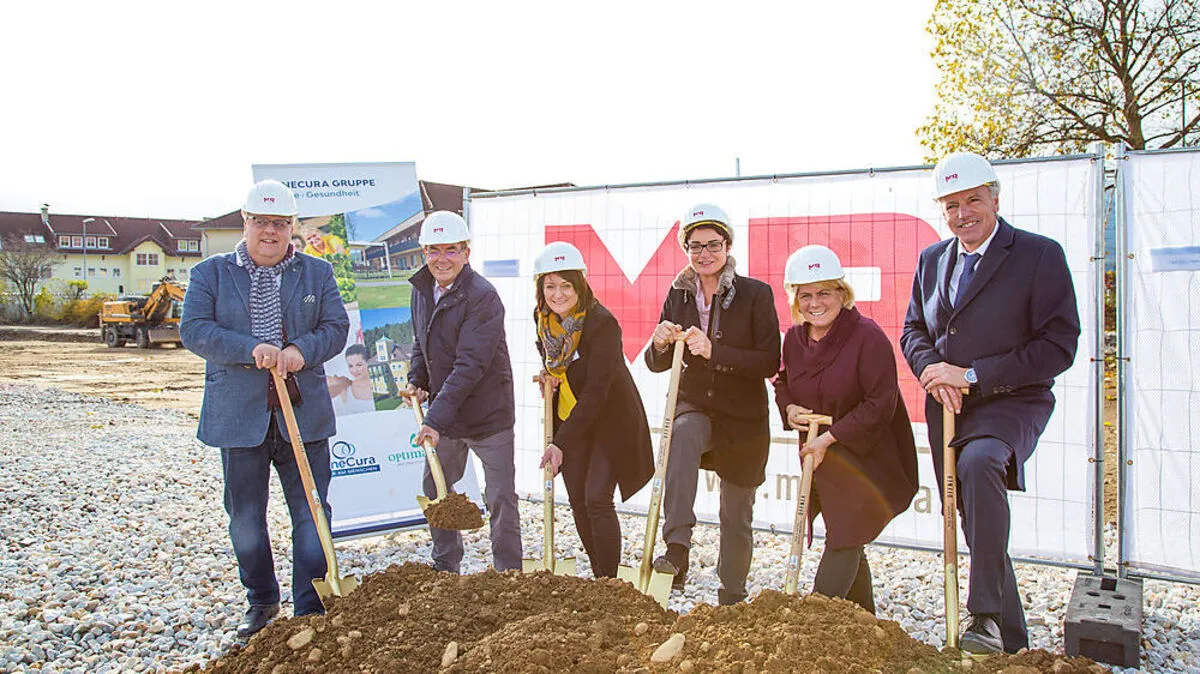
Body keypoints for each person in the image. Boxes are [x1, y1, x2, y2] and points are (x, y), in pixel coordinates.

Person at [901, 152, 1080, 654]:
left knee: (980, 464)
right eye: (951, 205)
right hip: (947, 405)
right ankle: (1009, 643)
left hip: (1011, 399)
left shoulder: (1038, 255)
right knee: (973, 514)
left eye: (973, 200)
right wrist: (933, 372)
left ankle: (983, 616)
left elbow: (1058, 344)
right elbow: (913, 330)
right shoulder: (932, 260)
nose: (963, 214)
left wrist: (973, 375)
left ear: (995, 199)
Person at [180, 179, 350, 637]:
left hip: (303, 417)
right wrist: (249, 348)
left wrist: (300, 350)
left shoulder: (317, 273)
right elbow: (194, 329)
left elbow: (336, 326)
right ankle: (261, 601)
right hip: (239, 418)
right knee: (245, 519)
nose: (270, 232)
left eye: (279, 223)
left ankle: (310, 605)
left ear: (291, 226)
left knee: (312, 513)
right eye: (261, 222)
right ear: (246, 221)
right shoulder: (211, 274)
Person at [645, 203, 781, 605]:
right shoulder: (678, 293)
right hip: (695, 404)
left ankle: (732, 594)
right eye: (696, 246)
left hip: (743, 417)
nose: (704, 253)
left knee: (736, 512)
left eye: (713, 244)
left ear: (728, 245)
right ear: (685, 248)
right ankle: (677, 550)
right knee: (682, 433)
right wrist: (659, 343)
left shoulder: (756, 294)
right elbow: (656, 363)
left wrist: (714, 351)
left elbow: (769, 361)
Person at [773, 245, 918, 614]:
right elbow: (782, 382)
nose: (814, 303)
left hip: (867, 455)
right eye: (805, 295)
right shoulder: (794, 339)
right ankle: (864, 623)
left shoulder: (867, 337)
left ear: (842, 293)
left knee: (845, 534)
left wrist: (830, 438)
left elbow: (880, 403)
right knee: (847, 533)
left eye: (824, 292)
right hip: (821, 455)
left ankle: (815, 619)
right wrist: (789, 407)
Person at [404, 210, 522, 572]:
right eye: (434, 250)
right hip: (449, 415)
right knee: (436, 486)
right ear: (424, 252)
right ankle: (446, 565)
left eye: (451, 250)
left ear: (466, 252)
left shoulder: (483, 297)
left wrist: (434, 419)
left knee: (500, 496)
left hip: (488, 415)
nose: (442, 259)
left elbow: (470, 365)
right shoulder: (421, 290)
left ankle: (509, 574)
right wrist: (417, 379)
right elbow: (421, 340)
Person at [532, 242, 655, 578]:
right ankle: (599, 576)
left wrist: (560, 443)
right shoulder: (543, 320)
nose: (558, 294)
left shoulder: (602, 323)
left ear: (580, 284)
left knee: (596, 497)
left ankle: (609, 582)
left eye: (566, 285)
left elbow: (597, 392)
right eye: (550, 286)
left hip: (610, 420)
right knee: (577, 501)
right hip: (571, 418)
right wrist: (548, 376)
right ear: (540, 288)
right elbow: (558, 364)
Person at [326, 343, 376, 416]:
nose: (355, 370)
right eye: (350, 366)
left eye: (359, 365)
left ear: (368, 362)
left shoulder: (380, 385)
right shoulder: (344, 389)